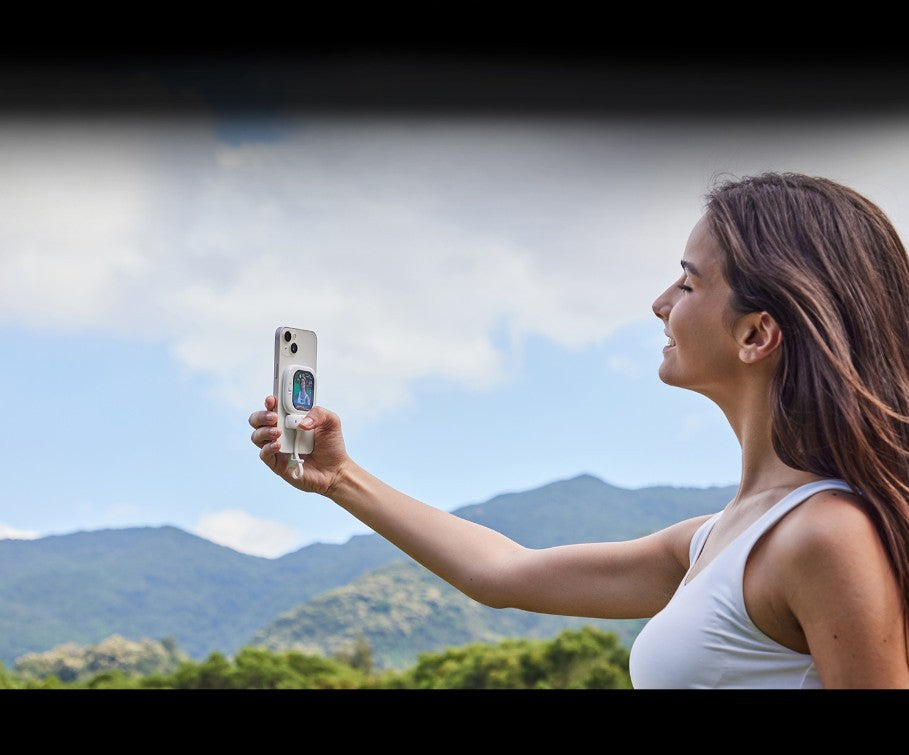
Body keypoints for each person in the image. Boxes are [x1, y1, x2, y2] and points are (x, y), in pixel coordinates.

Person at [248, 172, 909, 689]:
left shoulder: (824, 535)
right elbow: (501, 572)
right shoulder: (717, 538)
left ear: (755, 332)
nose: (660, 303)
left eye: (687, 281)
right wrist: (341, 477)